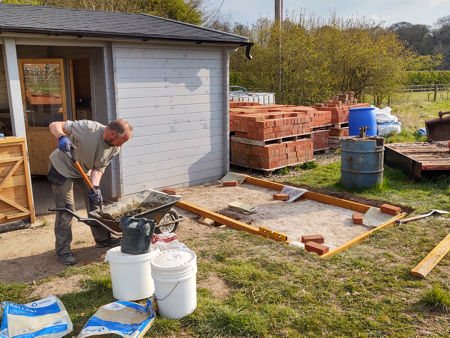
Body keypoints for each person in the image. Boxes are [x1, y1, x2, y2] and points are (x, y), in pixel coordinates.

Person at [48, 119, 132, 265]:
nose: (121, 145)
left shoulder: (115, 148)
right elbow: (54, 125)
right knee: (67, 210)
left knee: (96, 204)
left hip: (82, 171)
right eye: (121, 141)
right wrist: (61, 137)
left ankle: (103, 240)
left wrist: (95, 188)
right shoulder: (88, 128)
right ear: (111, 133)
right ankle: (63, 251)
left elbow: (98, 168)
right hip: (61, 168)